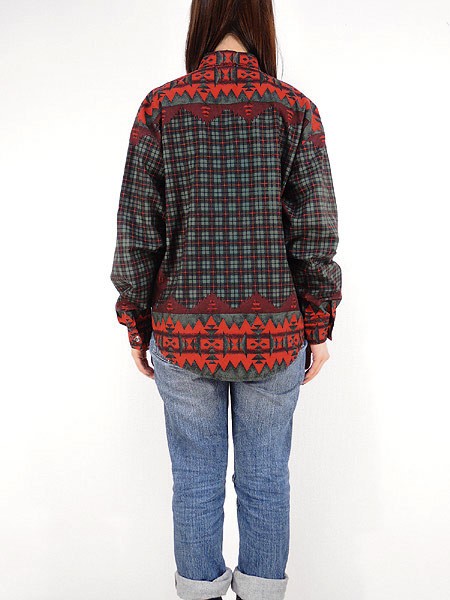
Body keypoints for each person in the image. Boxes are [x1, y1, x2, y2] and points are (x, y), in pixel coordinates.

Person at [110, 1, 342, 598]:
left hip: (182, 335)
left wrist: (136, 321)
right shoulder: (294, 110)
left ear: (201, 20)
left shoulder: (161, 108)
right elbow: (315, 230)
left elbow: (138, 230)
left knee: (194, 481)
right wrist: (318, 323)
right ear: (262, 19)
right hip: (274, 337)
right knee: (266, 482)